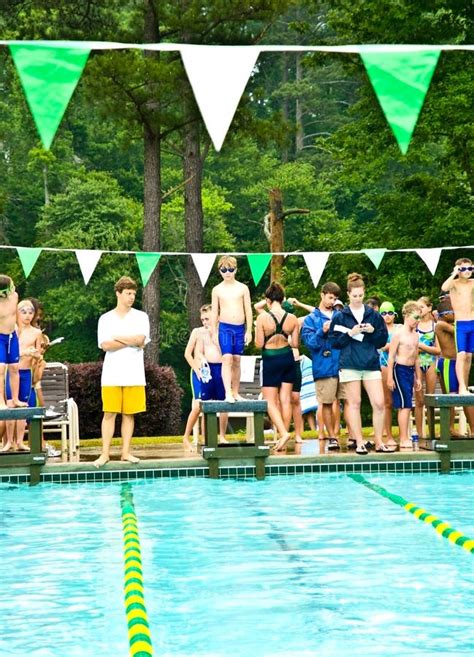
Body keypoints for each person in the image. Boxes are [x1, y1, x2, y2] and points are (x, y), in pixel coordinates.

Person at [328, 272, 391, 454]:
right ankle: (360, 442)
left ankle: (379, 441)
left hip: (370, 363)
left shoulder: (373, 315)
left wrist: (372, 331)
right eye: (354, 295)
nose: (357, 298)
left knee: (379, 403)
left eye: (360, 295)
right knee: (354, 403)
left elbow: (381, 341)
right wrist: (350, 333)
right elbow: (334, 342)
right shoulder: (340, 316)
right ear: (348, 294)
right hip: (349, 364)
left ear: (364, 293)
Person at [94, 276, 150, 467]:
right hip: (111, 374)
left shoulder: (141, 316)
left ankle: (126, 452)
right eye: (128, 293)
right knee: (109, 413)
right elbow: (106, 345)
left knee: (129, 414)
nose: (132, 297)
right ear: (118, 293)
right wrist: (130, 340)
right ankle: (105, 454)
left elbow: (141, 340)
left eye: (134, 293)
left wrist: (119, 337)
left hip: (134, 374)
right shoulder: (106, 318)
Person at [255, 282, 299, 452]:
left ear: (267, 300)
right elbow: (295, 343)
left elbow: (259, 344)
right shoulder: (292, 318)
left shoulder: (262, 318)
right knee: (285, 399)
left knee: (269, 401)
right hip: (287, 358)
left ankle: (283, 433)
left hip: (271, 360)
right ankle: (283, 437)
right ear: (282, 299)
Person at [301, 281, 342, 450]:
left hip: (344, 364)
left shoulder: (341, 315)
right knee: (326, 402)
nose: (332, 301)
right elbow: (310, 344)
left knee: (350, 402)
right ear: (322, 295)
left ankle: (352, 437)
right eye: (330, 297)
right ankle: (331, 437)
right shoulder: (311, 319)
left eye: (335, 298)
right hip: (324, 366)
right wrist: (322, 331)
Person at [1, 299, 42, 452]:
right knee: (11, 406)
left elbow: (39, 354)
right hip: (12, 374)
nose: (27, 316)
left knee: (22, 409)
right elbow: (8, 353)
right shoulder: (10, 331)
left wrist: (36, 356)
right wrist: (23, 352)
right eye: (23, 312)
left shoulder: (36, 333)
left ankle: (19, 442)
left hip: (25, 373)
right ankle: (8, 442)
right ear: (17, 313)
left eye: (30, 313)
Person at [211, 256, 253, 403]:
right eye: (224, 270)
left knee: (237, 360)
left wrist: (249, 331)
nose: (227, 272)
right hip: (225, 328)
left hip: (240, 328)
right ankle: (227, 392)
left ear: (236, 270)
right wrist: (214, 332)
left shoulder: (243, 288)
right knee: (227, 358)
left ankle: (235, 392)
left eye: (230, 269)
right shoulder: (217, 290)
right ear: (219, 271)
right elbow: (214, 312)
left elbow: (248, 310)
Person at [435, 297, 474, 435]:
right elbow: (460, 331)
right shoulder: (440, 325)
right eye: (455, 312)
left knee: (466, 396)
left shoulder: (453, 323)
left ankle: (473, 429)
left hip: (459, 363)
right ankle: (449, 428)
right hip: (447, 364)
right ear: (446, 314)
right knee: (450, 397)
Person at [386, 301, 423, 448]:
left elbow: (416, 358)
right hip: (399, 369)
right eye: (416, 317)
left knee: (407, 404)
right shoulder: (398, 334)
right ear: (407, 316)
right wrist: (389, 377)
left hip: (410, 371)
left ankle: (404, 437)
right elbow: (391, 356)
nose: (418, 320)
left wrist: (418, 377)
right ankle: (403, 438)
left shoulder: (415, 336)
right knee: (405, 405)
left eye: (419, 317)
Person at [441, 257, 473, 395]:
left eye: (470, 268)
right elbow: (444, 288)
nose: (467, 271)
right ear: (459, 270)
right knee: (461, 354)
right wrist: (454, 273)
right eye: (464, 268)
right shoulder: (454, 284)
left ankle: (465, 385)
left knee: (469, 356)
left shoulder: (473, 283)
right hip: (461, 324)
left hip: (473, 322)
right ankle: (461, 387)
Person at [0, 275, 27, 409]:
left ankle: (15, 399)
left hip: (12, 337)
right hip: (0, 338)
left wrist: (20, 327)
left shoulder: (15, 296)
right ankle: (1, 402)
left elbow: (15, 313)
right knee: (0, 369)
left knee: (15, 368)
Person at [378, 301, 402, 447]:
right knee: (387, 403)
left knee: (402, 402)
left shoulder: (400, 328)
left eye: (390, 313)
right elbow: (380, 347)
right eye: (384, 313)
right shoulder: (379, 330)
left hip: (401, 365)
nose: (387, 316)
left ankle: (404, 434)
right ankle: (389, 435)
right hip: (384, 366)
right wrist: (392, 345)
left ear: (394, 314)